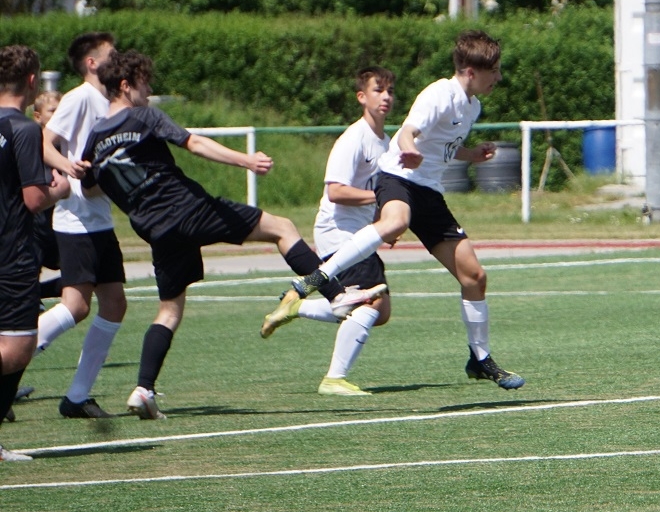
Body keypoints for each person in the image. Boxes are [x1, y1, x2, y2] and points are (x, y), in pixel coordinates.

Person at [80, 50, 368, 419]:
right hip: (187, 209)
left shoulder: (95, 137)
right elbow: (194, 143)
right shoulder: (144, 116)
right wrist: (246, 161)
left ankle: (143, 389)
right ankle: (336, 295)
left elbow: (89, 187)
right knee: (282, 228)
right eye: (145, 84)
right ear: (125, 85)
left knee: (169, 310)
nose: (148, 91)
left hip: (155, 229)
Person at [289, 30, 525, 389]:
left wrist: (471, 155)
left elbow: (443, 147)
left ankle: (480, 359)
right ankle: (320, 276)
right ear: (471, 71)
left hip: (429, 193)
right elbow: (408, 133)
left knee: (475, 277)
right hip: (398, 177)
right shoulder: (438, 94)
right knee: (395, 221)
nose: (499, 77)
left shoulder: (472, 106)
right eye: (494, 71)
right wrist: (409, 148)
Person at [260, 67, 395, 396]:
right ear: (361, 97)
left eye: (390, 91)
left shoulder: (385, 141)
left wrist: (386, 220)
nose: (386, 97)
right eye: (378, 90)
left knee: (380, 311)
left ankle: (296, 307)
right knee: (370, 301)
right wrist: (379, 199)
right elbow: (336, 191)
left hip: (360, 232)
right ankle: (334, 378)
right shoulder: (354, 138)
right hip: (340, 232)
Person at [35, 32, 125, 420]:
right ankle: (10, 357)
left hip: (99, 218)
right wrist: (65, 165)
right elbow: (44, 141)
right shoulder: (79, 98)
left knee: (114, 304)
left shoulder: (109, 100)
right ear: (91, 63)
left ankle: (76, 397)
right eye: (111, 55)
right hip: (75, 219)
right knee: (75, 306)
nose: (117, 59)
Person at [0, 45, 70, 462]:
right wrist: (59, 190)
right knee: (18, 348)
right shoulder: (24, 129)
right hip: (11, 252)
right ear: (31, 81)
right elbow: (33, 199)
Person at [31, 90, 63, 300]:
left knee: (87, 276)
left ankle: (38, 295)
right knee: (27, 282)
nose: (58, 115)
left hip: (62, 227)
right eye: (52, 110)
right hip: (35, 228)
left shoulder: (70, 146)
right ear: (38, 116)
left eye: (62, 110)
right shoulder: (29, 145)